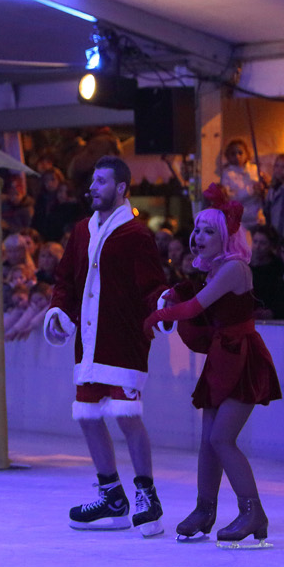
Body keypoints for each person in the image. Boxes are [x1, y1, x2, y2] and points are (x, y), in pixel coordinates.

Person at [143, 184, 281, 548]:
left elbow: (194, 310)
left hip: (242, 357)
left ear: (226, 237)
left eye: (209, 231)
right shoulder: (218, 269)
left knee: (222, 438)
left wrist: (161, 313)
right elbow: (198, 306)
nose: (199, 237)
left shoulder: (234, 268)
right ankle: (205, 510)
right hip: (224, 356)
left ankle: (253, 512)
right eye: (198, 229)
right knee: (208, 440)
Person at [44, 155, 168, 536]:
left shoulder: (137, 235)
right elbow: (65, 279)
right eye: (93, 180)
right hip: (89, 343)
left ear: (120, 188)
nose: (93, 187)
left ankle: (147, 495)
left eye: (101, 181)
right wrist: (58, 312)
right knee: (87, 415)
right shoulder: (82, 230)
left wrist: (162, 307)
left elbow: (151, 286)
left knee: (127, 414)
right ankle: (112, 495)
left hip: (123, 341)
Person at [217, 139, 263, 226]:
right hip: (238, 219)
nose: (237, 156)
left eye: (240, 153)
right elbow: (229, 196)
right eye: (233, 154)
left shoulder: (255, 169)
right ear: (228, 156)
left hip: (256, 217)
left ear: (246, 153)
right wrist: (251, 190)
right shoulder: (227, 174)